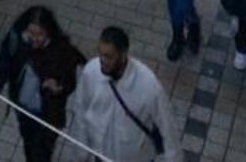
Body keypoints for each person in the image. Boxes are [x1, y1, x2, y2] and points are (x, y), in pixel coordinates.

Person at [64, 25, 179, 161]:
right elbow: (81, 111)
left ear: (123, 55)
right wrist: (81, 153)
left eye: (108, 56)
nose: (102, 61)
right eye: (100, 54)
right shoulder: (91, 72)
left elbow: (167, 128)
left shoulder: (148, 85)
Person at [0, 5, 86, 162]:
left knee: (41, 153)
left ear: (49, 32)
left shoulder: (62, 52)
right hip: (23, 108)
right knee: (28, 142)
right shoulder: (16, 40)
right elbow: (3, 66)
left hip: (48, 114)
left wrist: (59, 88)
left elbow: (72, 81)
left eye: (40, 34)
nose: (34, 38)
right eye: (30, 33)